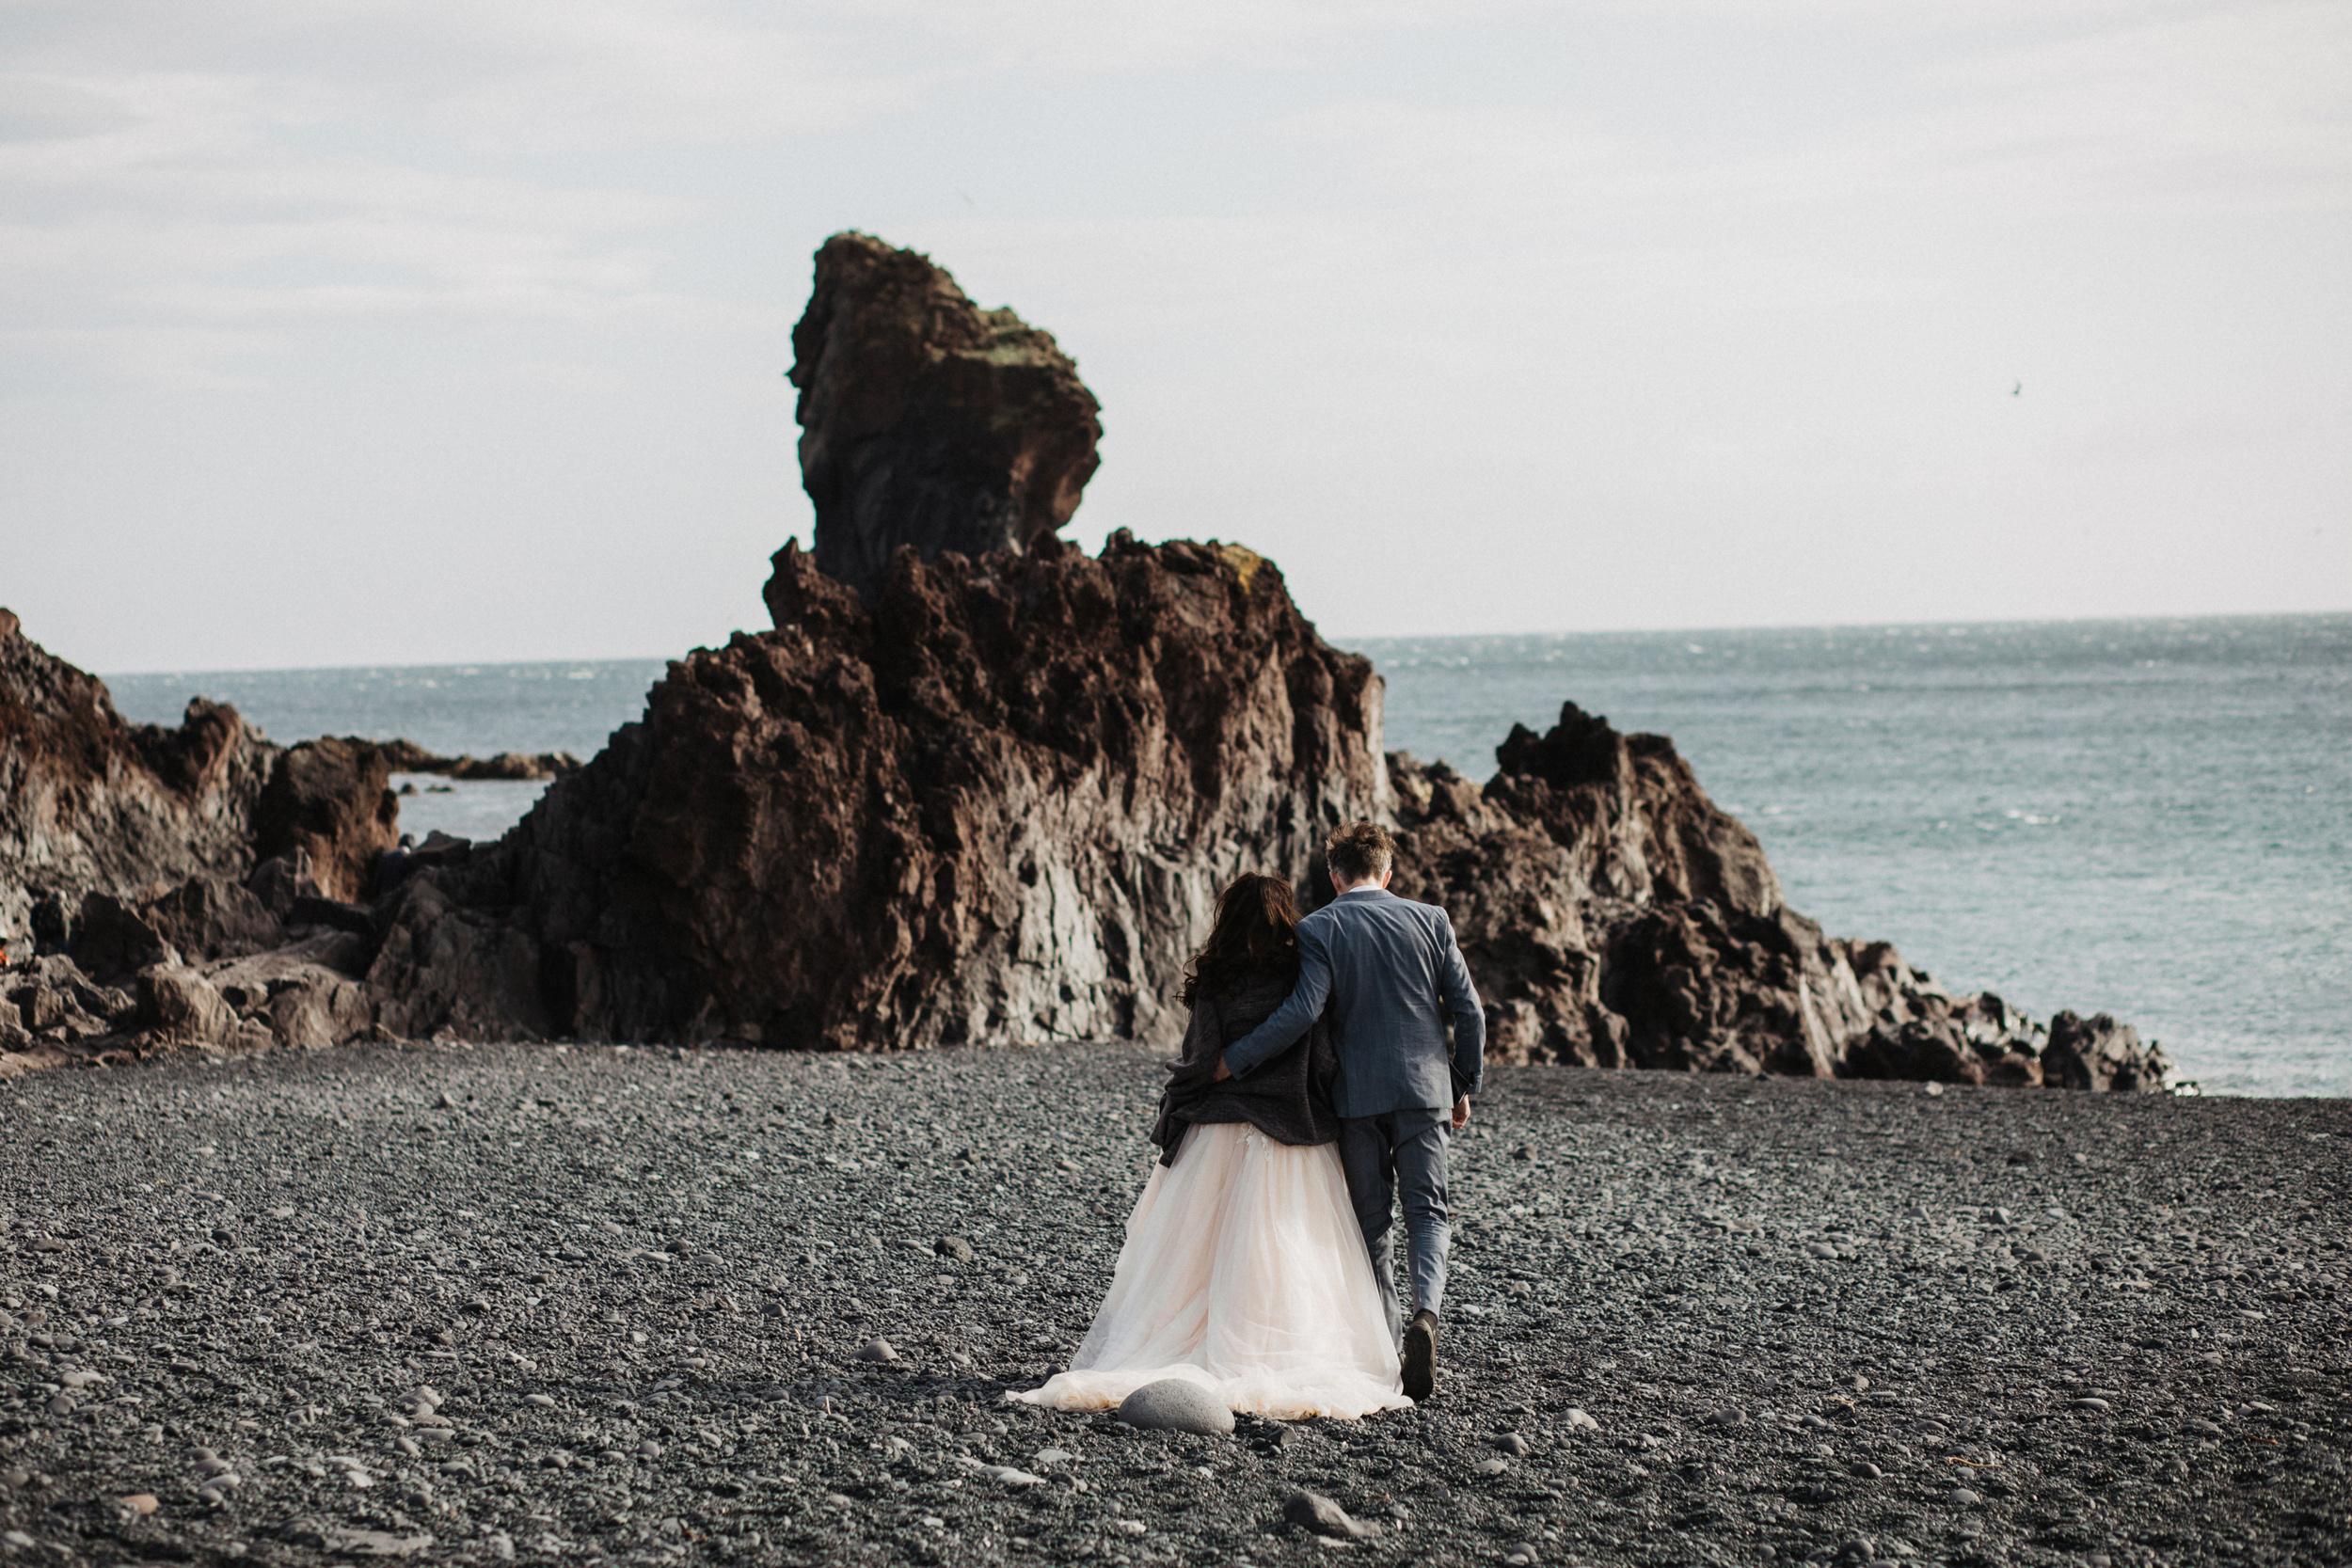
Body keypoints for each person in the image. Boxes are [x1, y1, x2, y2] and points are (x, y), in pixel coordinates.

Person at [1014, 873, 1409, 1420]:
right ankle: (1281, 1350)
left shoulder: (1218, 979)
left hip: (1218, 1130)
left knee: (1194, 1253)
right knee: (1286, 1252)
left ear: (1228, 918)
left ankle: (1181, 1350)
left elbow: (1198, 1060)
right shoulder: (1304, 974)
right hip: (1291, 1133)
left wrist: (1184, 1095)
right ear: (1285, 918)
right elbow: (1322, 1058)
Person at [1215, 820, 1485, 1402]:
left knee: (1371, 1223)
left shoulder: (1320, 928)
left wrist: (1233, 1060)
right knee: (1428, 1212)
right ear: (1389, 873)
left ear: (1335, 876)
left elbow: (1302, 1012)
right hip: (1425, 1091)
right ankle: (1426, 1318)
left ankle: (1388, 1345)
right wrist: (1459, 1083)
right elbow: (1471, 1013)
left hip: (1356, 1097)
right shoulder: (1432, 919)